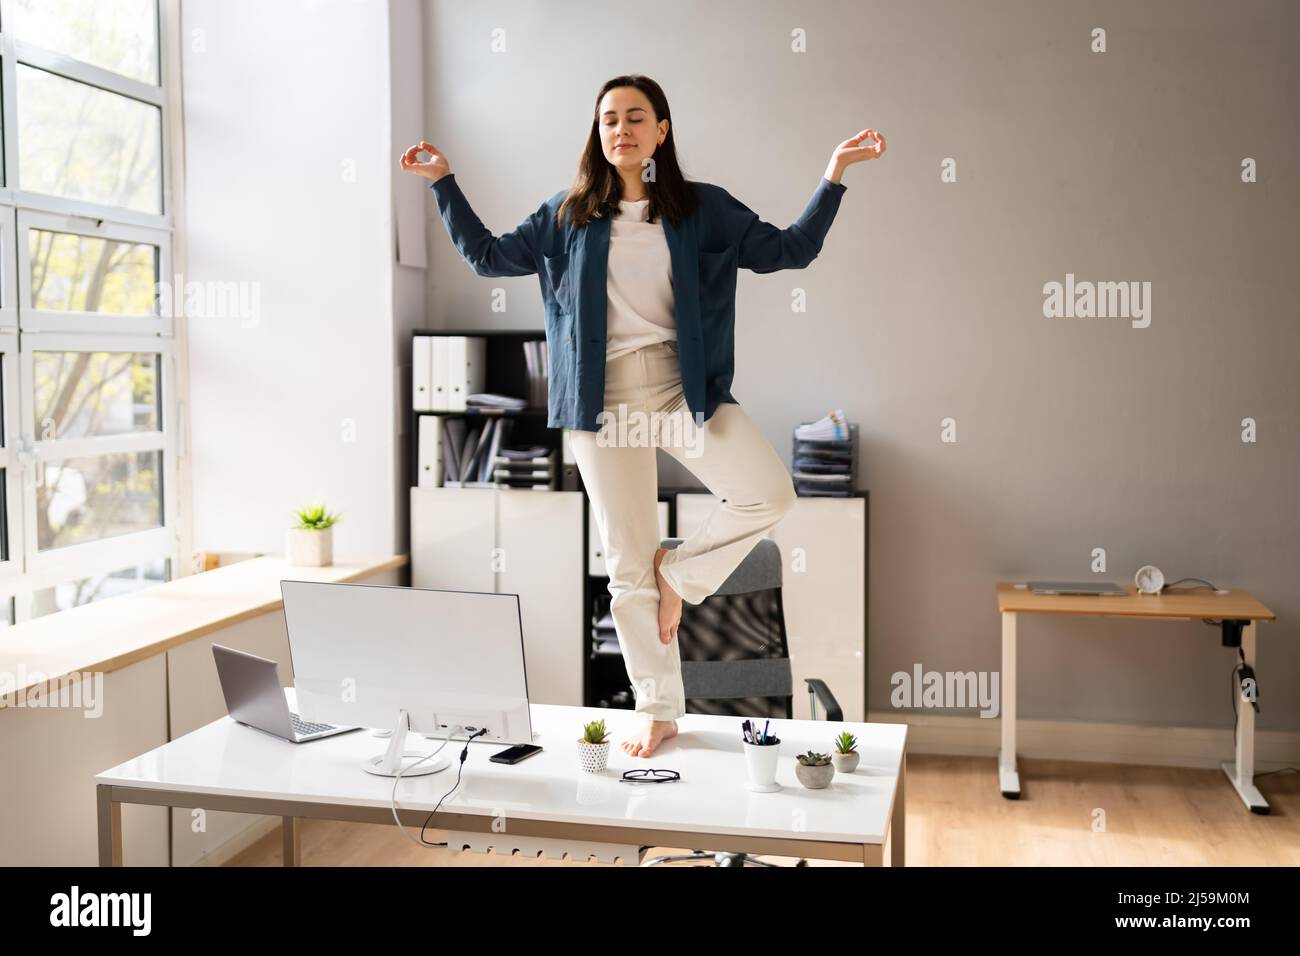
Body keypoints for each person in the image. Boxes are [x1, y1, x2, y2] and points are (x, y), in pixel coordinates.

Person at [401, 73, 885, 758]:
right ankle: (657, 709)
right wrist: (444, 181)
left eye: (635, 117)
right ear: (598, 135)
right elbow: (487, 257)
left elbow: (791, 250)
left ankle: (678, 575)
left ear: (661, 131)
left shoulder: (704, 211)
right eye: (608, 119)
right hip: (598, 401)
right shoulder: (567, 215)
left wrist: (834, 175)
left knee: (769, 492)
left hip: (677, 388)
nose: (621, 128)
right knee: (625, 561)